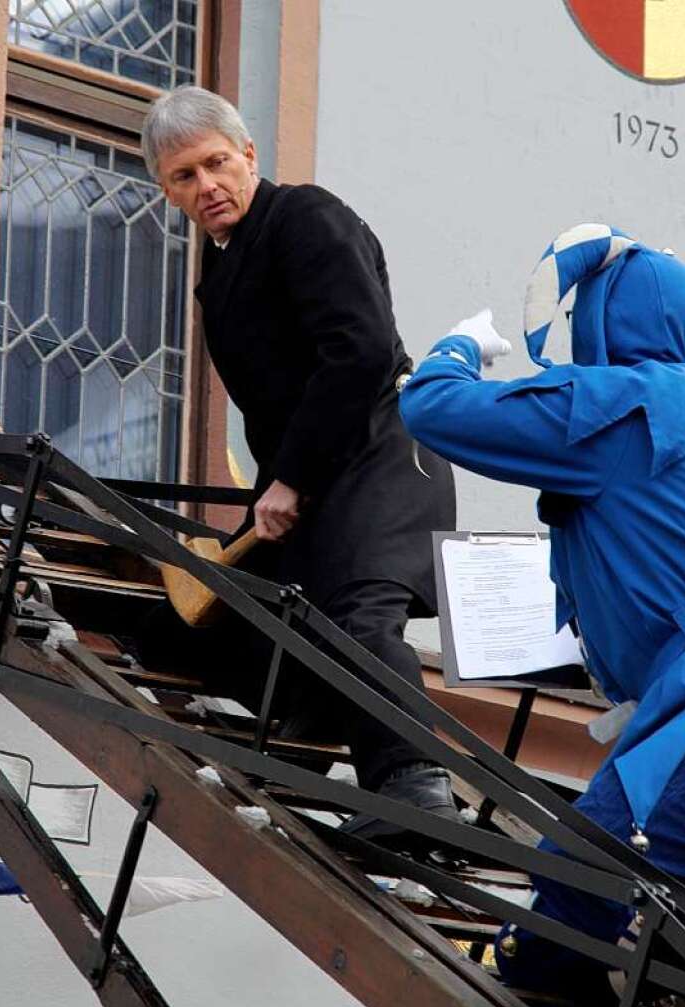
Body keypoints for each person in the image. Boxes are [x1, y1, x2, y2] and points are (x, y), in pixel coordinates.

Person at [399, 224, 685, 1003]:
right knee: (671, 960)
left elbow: (434, 409)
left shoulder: (631, 397)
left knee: (553, 933)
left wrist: (458, 348)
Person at [138, 85, 458, 837]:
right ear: (166, 190)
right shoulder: (218, 276)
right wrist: (276, 491)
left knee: (357, 616)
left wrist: (291, 479)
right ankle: (304, 731)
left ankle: (416, 785)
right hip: (309, 476)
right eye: (184, 176)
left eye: (216, 163)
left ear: (249, 155)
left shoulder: (307, 218)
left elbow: (362, 352)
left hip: (382, 452)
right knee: (236, 616)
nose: (206, 186)